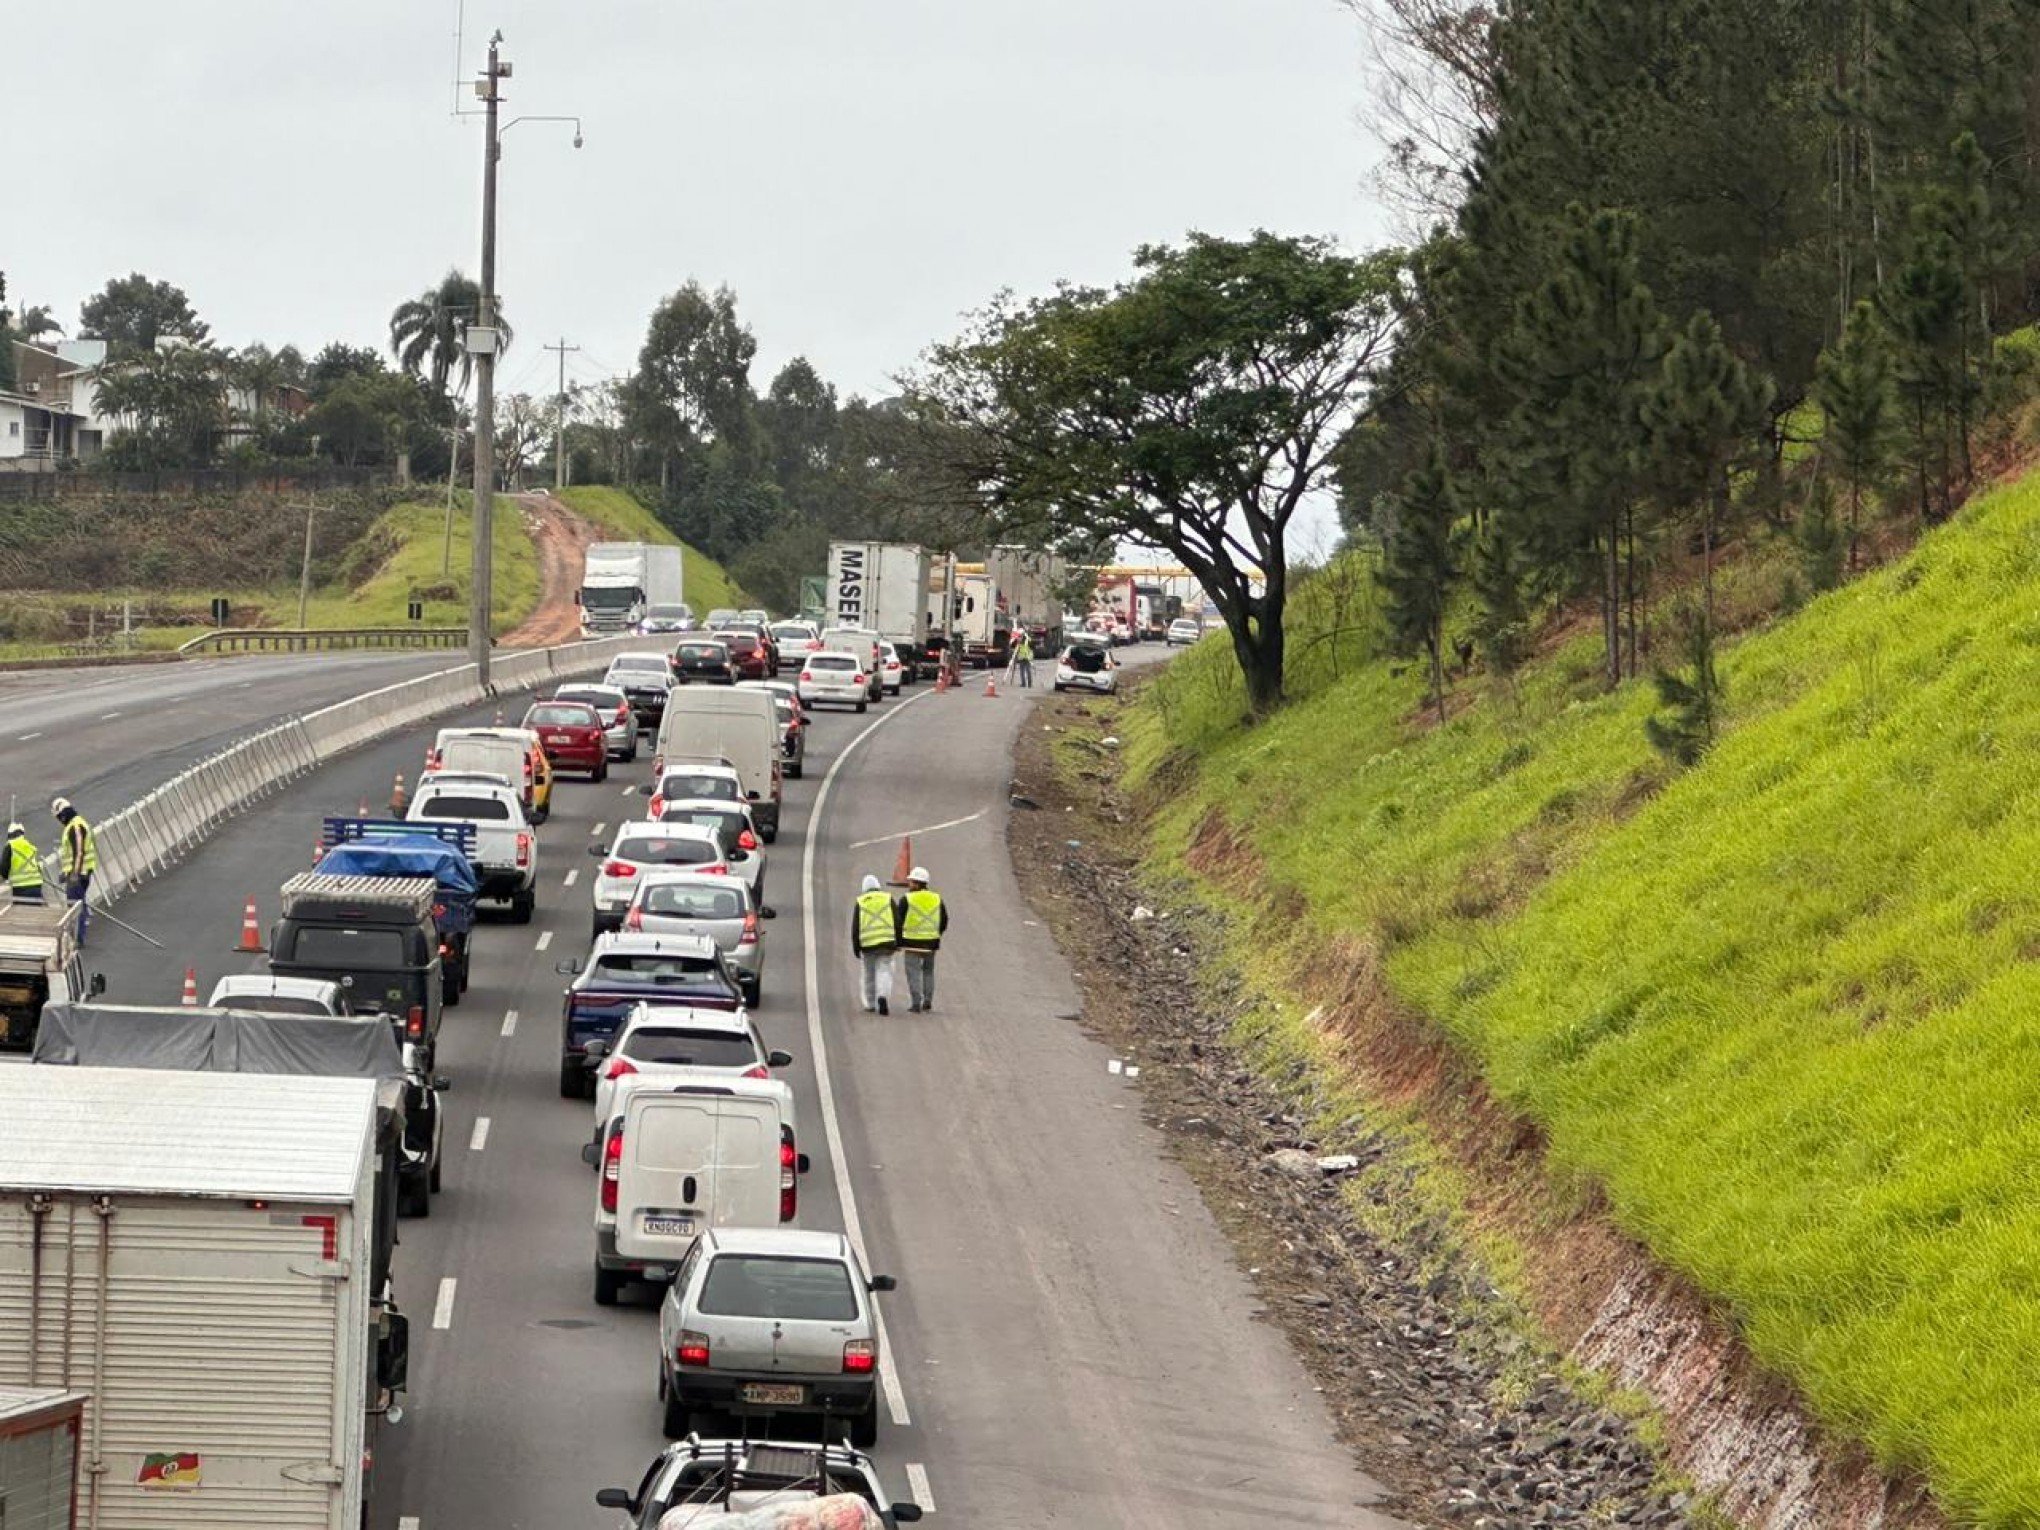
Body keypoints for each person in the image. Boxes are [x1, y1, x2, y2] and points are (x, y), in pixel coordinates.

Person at [899, 865, 949, 1013]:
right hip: (930, 943)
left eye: (911, 882)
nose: (909, 884)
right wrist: (936, 933)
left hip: (911, 942)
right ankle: (928, 1000)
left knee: (913, 973)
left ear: (917, 883)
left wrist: (898, 939)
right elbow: (944, 919)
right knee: (928, 972)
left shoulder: (907, 899)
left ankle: (916, 1003)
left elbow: (898, 920)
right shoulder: (937, 898)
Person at [850, 873, 902, 1015]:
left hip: (868, 945)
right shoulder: (887, 898)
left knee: (868, 973)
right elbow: (897, 921)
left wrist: (856, 947)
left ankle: (870, 1003)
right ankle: (882, 996)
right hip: (887, 943)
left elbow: (856, 927)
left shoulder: (861, 902)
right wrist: (899, 941)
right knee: (884, 970)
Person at [51, 797, 95, 943]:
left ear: (63, 814)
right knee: (76, 906)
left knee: (75, 909)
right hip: (77, 872)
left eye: (59, 817)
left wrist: (74, 873)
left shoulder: (75, 826)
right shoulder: (74, 824)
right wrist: (65, 872)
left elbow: (79, 852)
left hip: (78, 875)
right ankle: (77, 935)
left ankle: (77, 938)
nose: (59, 821)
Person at [4, 822, 42, 904]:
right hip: (36, 885)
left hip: (20, 887)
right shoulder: (30, 846)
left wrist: (5, 878)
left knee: (21, 912)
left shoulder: (10, 845)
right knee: (36, 913)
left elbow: (3, 868)